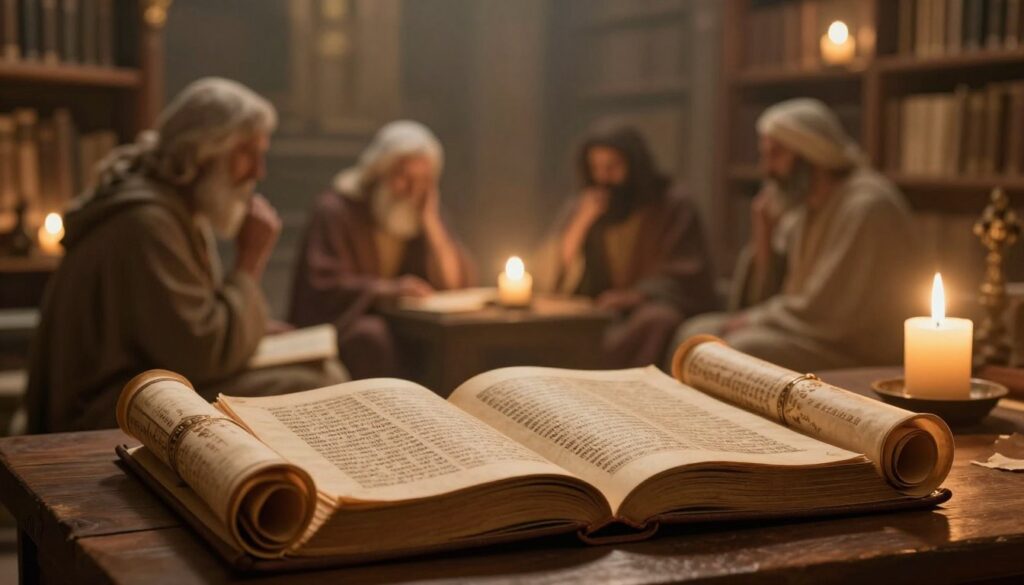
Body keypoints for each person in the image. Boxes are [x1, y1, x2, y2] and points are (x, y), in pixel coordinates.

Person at [26, 77, 346, 433]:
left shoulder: (174, 210)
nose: (258, 171)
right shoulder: (147, 223)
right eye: (247, 154)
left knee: (321, 370)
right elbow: (202, 353)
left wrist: (257, 331)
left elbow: (183, 327)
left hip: (148, 387)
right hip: (105, 408)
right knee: (315, 383)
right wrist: (250, 260)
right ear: (204, 150)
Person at [669, 98, 922, 372]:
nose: (766, 169)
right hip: (809, 334)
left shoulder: (866, 206)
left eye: (776, 155)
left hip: (854, 349)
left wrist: (753, 320)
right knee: (694, 332)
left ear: (809, 152)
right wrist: (764, 236)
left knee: (740, 348)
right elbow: (767, 297)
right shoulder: (804, 207)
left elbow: (827, 311)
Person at [288, 121, 474, 379]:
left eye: (423, 182)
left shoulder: (420, 213)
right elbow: (322, 286)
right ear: (378, 172)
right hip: (347, 326)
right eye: (404, 178)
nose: (412, 191)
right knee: (371, 335)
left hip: (403, 326)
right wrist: (387, 289)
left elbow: (454, 283)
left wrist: (431, 222)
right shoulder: (336, 210)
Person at [536, 125, 718, 368]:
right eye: (596, 168)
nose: (603, 178)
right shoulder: (586, 205)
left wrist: (635, 296)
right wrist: (581, 223)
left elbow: (686, 270)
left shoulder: (672, 205)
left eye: (612, 167)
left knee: (657, 321)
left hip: (646, 308)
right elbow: (553, 271)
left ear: (634, 166)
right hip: (598, 310)